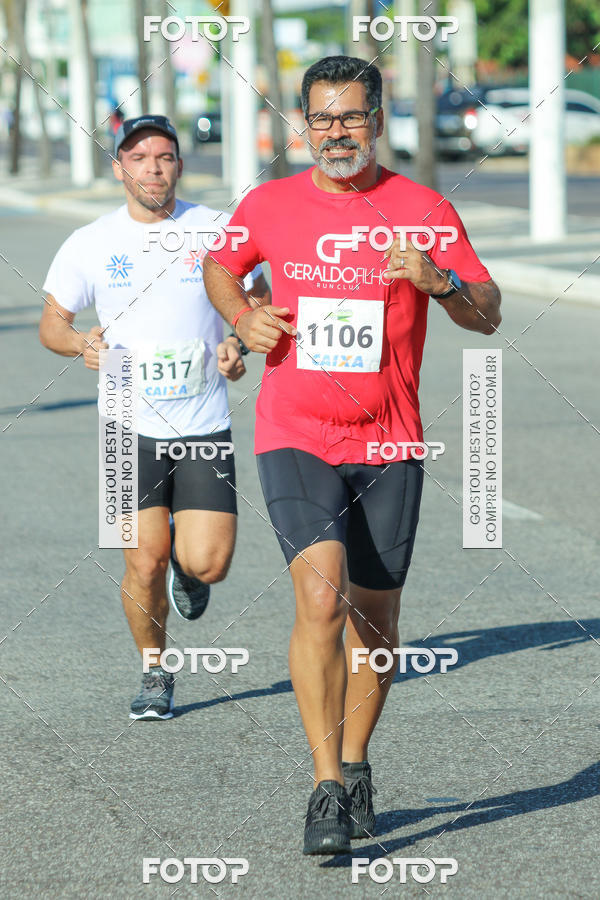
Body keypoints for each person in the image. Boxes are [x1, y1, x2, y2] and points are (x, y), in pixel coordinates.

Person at [204, 57, 501, 855]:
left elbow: (487, 313)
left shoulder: (422, 208)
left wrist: (436, 279)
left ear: (377, 117)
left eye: (351, 117)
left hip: (391, 440)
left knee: (376, 619)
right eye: (322, 119)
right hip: (295, 429)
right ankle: (325, 786)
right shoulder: (267, 203)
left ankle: (359, 759)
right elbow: (221, 266)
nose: (336, 133)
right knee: (320, 601)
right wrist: (244, 317)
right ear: (303, 123)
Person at [39, 115, 270, 720]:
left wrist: (238, 343)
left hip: (202, 422)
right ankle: (154, 674)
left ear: (179, 166)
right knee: (143, 559)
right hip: (125, 427)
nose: (152, 169)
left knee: (207, 563)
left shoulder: (215, 229)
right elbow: (51, 324)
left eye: (164, 157)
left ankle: (188, 578)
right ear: (120, 168)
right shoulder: (90, 242)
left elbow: (261, 300)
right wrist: (79, 345)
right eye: (138, 158)